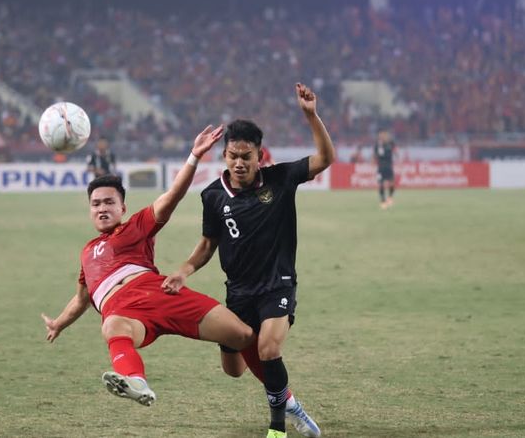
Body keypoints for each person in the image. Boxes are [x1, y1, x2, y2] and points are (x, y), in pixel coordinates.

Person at [163, 83, 335, 438]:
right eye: (232, 156)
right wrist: (183, 269)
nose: (239, 163)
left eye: (247, 156)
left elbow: (325, 159)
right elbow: (208, 244)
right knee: (234, 369)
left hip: (277, 285)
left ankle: (278, 428)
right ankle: (288, 400)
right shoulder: (212, 196)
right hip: (238, 293)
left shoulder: (281, 179)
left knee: (268, 348)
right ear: (224, 156)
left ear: (261, 155)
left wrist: (311, 116)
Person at [40, 125, 254, 408]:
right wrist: (59, 323)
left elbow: (171, 197)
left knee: (244, 336)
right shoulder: (87, 251)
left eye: (108, 202)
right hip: (122, 310)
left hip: (159, 292)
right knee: (113, 326)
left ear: (122, 208)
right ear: (90, 210)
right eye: (95, 204)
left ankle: (283, 398)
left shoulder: (135, 227)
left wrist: (193, 157)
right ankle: (136, 381)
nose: (102, 208)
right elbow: (82, 297)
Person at [373, 127, 396, 209]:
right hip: (381, 167)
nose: (382, 135)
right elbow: (375, 155)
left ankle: (390, 197)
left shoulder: (391, 143)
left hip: (389, 166)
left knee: (392, 183)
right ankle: (383, 201)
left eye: (384, 134)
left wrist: (396, 154)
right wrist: (373, 161)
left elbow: (395, 151)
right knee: (381, 184)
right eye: (381, 134)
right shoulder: (377, 144)